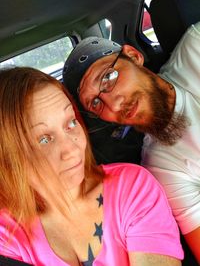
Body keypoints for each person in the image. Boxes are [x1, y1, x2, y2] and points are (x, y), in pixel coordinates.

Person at [0, 67, 183, 266]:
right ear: (7, 157)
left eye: (71, 123)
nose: (72, 148)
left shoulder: (130, 187)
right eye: (44, 139)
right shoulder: (6, 235)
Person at [62, 22, 200, 262]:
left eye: (108, 77)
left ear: (134, 56)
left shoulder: (196, 47)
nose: (114, 106)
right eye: (95, 103)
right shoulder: (162, 168)